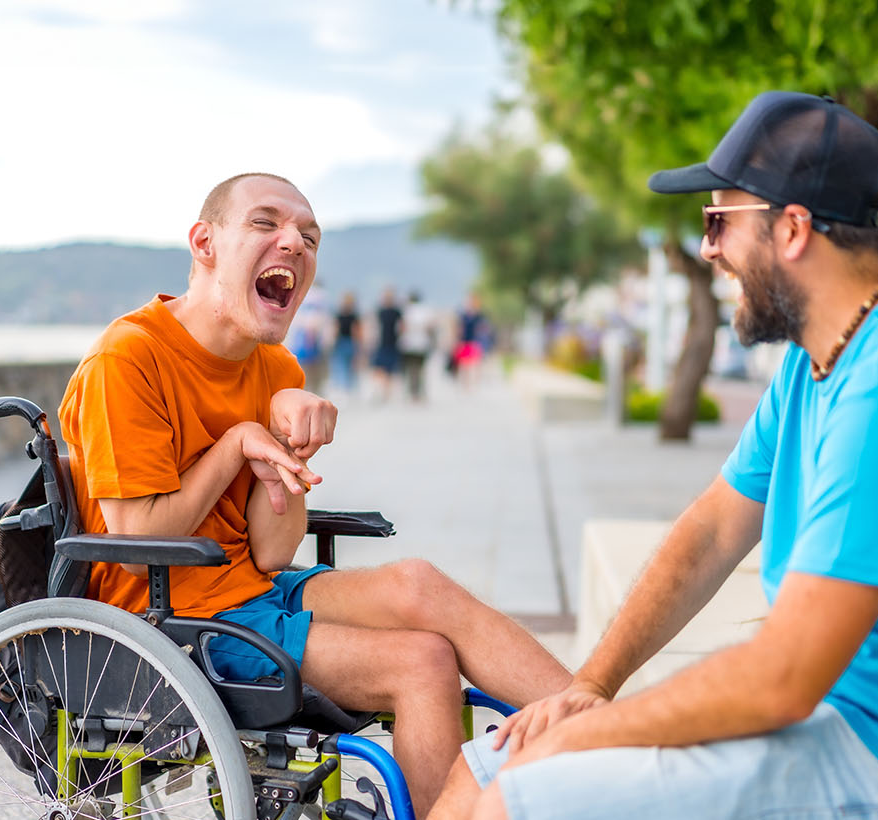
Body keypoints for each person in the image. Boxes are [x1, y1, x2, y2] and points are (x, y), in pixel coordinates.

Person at [432, 92, 878, 820]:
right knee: (483, 768)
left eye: (719, 221)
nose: (708, 249)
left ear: (791, 229)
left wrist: (587, 738)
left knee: (518, 800)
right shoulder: (819, 358)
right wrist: (589, 689)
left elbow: (782, 677)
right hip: (853, 721)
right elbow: (713, 531)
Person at [59, 172, 573, 809]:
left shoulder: (276, 367)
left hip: (249, 587)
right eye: (265, 223)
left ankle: (613, 729)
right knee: (423, 663)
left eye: (309, 235)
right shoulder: (128, 358)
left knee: (418, 583)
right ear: (204, 243)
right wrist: (237, 444)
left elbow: (272, 552)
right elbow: (136, 537)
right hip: (161, 619)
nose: (294, 243)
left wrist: (291, 451)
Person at [398, 290, 437, 402]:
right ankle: (422, 392)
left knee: (411, 370)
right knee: (421, 370)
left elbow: (401, 328)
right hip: (422, 344)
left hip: (408, 344)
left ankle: (413, 393)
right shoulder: (425, 311)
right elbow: (431, 327)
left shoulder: (406, 311)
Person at [373, 286, 404, 401]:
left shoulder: (381, 311)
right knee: (388, 369)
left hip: (385, 342)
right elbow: (401, 327)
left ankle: (384, 391)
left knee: (382, 369)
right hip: (391, 342)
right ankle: (386, 391)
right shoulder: (396, 311)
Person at [331, 290, 364, 398]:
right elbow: (356, 331)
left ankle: (343, 389)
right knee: (350, 367)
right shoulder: (354, 315)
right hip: (350, 342)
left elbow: (336, 330)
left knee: (341, 366)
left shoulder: (339, 315)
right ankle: (349, 389)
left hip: (342, 342)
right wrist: (359, 345)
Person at [453, 294, 487, 389]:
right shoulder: (463, 315)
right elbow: (459, 328)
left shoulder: (479, 315)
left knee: (474, 363)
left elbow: (482, 328)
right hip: (464, 341)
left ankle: (473, 383)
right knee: (464, 364)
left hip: (475, 342)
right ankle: (465, 383)